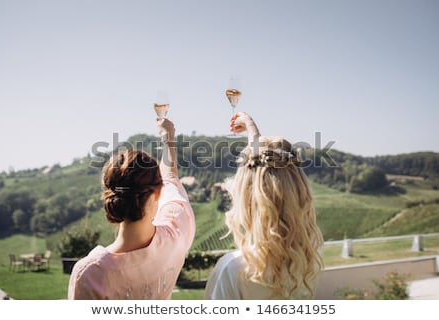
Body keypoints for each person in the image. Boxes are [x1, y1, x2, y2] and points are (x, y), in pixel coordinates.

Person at [68, 118, 195, 299]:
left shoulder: (91, 274)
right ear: (158, 193)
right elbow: (170, 177)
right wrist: (168, 138)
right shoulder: (175, 235)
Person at [204, 112, 324, 300]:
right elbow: (274, 181)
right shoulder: (308, 259)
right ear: (299, 193)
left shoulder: (234, 269)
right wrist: (253, 133)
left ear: (246, 199)